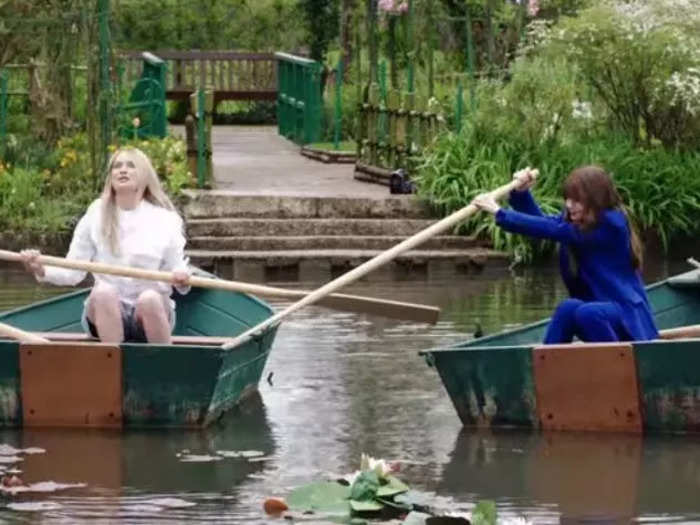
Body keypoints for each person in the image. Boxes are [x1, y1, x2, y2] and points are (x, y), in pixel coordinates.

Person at [20, 147, 191, 344]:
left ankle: (164, 368)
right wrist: (41, 269)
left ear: (145, 176)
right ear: (111, 177)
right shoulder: (96, 213)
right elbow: (73, 272)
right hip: (106, 311)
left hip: (151, 312)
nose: (122, 170)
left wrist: (181, 278)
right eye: (117, 166)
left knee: (150, 298)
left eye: (131, 166)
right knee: (103, 292)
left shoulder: (166, 219)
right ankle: (111, 365)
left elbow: (178, 270)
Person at [472, 165, 658, 344]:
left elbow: (553, 230)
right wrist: (521, 194)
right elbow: (544, 223)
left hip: (625, 315)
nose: (569, 205)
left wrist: (499, 212)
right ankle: (544, 368)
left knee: (588, 313)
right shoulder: (577, 222)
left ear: (596, 200)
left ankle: (617, 367)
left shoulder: (611, 224)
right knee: (568, 309)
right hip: (596, 313)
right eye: (567, 199)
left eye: (577, 200)